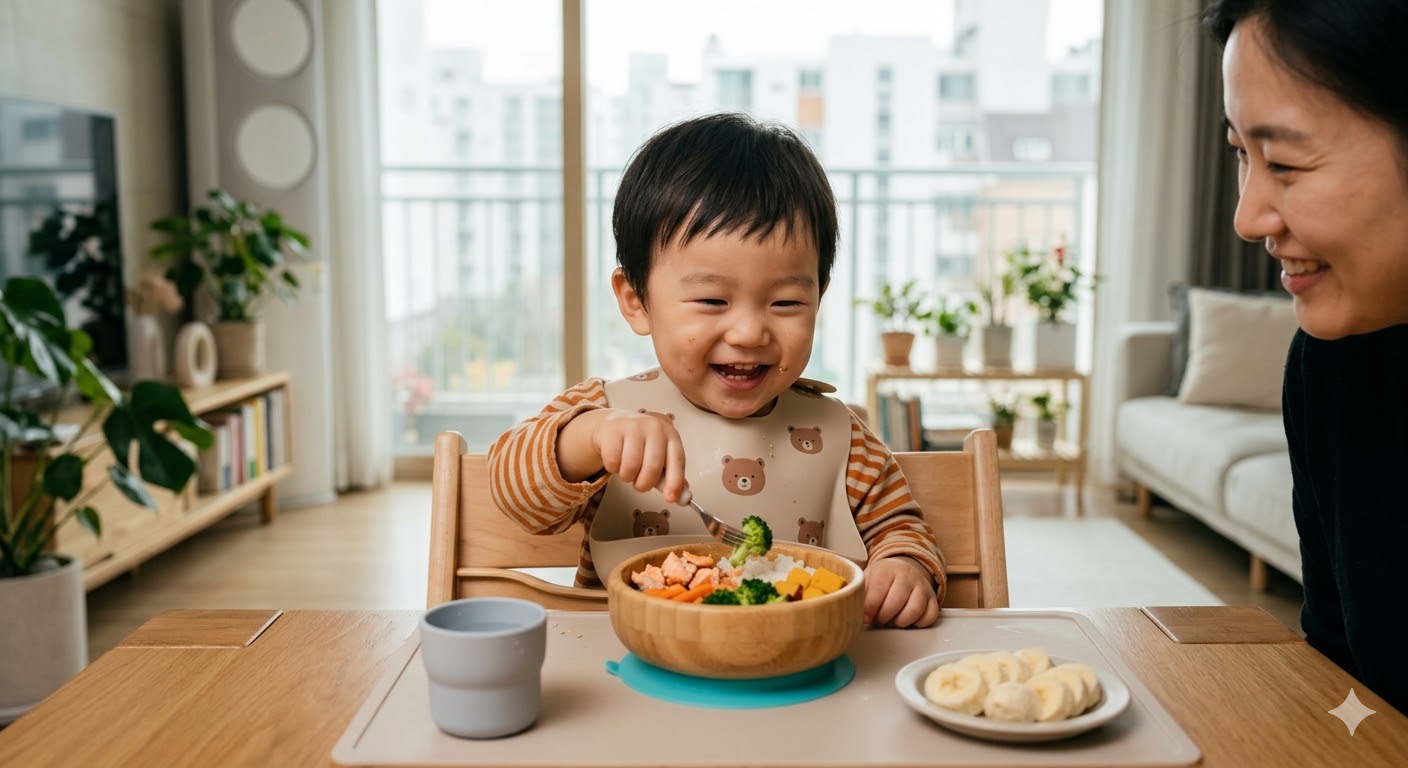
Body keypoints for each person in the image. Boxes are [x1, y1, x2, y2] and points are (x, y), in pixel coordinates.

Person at [488, 112, 945, 628]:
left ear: (820, 297)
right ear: (636, 301)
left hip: (797, 675)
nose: (749, 332)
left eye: (786, 302)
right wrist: (590, 438)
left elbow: (901, 528)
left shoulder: (843, 437)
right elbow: (513, 491)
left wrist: (903, 567)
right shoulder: (603, 411)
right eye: (711, 299)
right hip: (631, 677)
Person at [1206, 0, 1408, 713]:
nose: (1247, 216)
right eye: (1240, 154)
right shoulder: (1334, 364)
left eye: (1286, 162)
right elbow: (1347, 687)